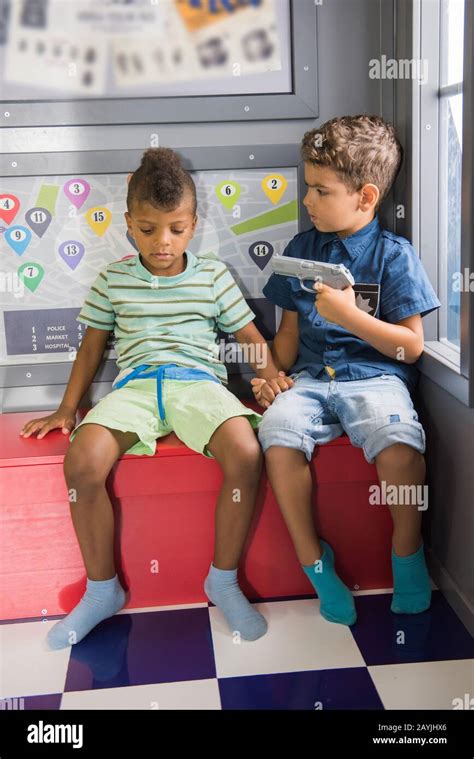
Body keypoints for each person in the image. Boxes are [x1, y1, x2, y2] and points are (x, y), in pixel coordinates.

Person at [20, 147, 291, 649]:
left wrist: (272, 382)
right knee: (82, 462)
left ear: (193, 223)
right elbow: (91, 348)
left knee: (247, 453)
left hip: (199, 385)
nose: (162, 242)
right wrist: (66, 408)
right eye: (148, 229)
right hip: (137, 388)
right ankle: (102, 590)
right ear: (128, 223)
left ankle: (223, 580)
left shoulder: (212, 276)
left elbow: (251, 338)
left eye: (176, 228)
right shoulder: (114, 280)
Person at [251, 115, 441, 626]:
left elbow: (412, 348)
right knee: (278, 434)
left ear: (365, 196)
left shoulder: (392, 256)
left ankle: (407, 555)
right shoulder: (299, 250)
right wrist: (270, 374)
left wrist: (353, 319)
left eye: (320, 190)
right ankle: (314, 561)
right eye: (307, 186)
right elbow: (287, 336)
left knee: (400, 447)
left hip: (376, 380)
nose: (307, 200)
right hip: (312, 379)